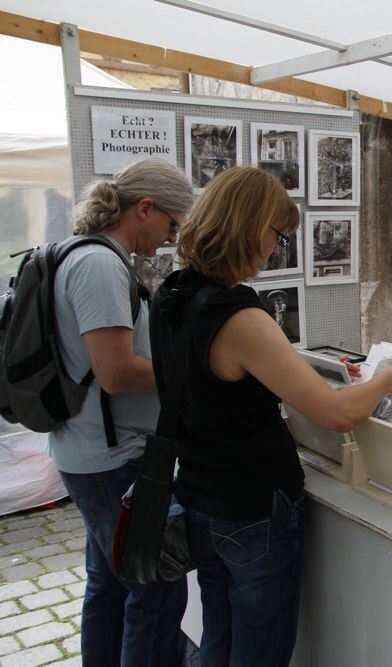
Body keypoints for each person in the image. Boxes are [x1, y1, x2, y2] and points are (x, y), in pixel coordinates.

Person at [149, 167, 392, 666]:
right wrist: (386, 380)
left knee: (218, 638)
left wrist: (304, 367)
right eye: (278, 235)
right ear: (249, 225)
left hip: (200, 496)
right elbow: (336, 413)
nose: (276, 250)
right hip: (253, 506)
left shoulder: (173, 293)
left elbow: (221, 376)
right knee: (260, 653)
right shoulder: (240, 317)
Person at [49, 159, 195, 666]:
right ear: (145, 208)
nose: (171, 238)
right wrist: (193, 370)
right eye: (171, 224)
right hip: (114, 459)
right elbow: (115, 372)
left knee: (109, 586)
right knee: (155, 591)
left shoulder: (85, 255)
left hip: (93, 449)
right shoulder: (100, 265)